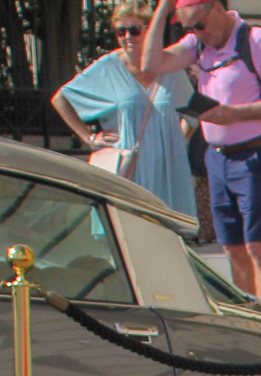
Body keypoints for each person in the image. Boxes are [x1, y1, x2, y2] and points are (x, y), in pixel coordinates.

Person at [141, 0, 261, 308]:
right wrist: (161, 9)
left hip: (256, 154)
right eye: (189, 28)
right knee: (232, 249)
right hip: (218, 157)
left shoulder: (254, 40)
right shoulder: (197, 44)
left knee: (257, 248)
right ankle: (249, 319)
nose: (198, 32)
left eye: (200, 24)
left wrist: (234, 114)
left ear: (216, 8)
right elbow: (149, 65)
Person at [52, 3, 197, 218]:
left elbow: (193, 112)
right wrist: (90, 137)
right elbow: (60, 98)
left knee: (167, 237)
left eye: (135, 30)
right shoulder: (108, 67)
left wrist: (179, 138)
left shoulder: (170, 66)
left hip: (168, 171)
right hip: (127, 167)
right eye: (121, 31)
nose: (128, 36)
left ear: (149, 30)